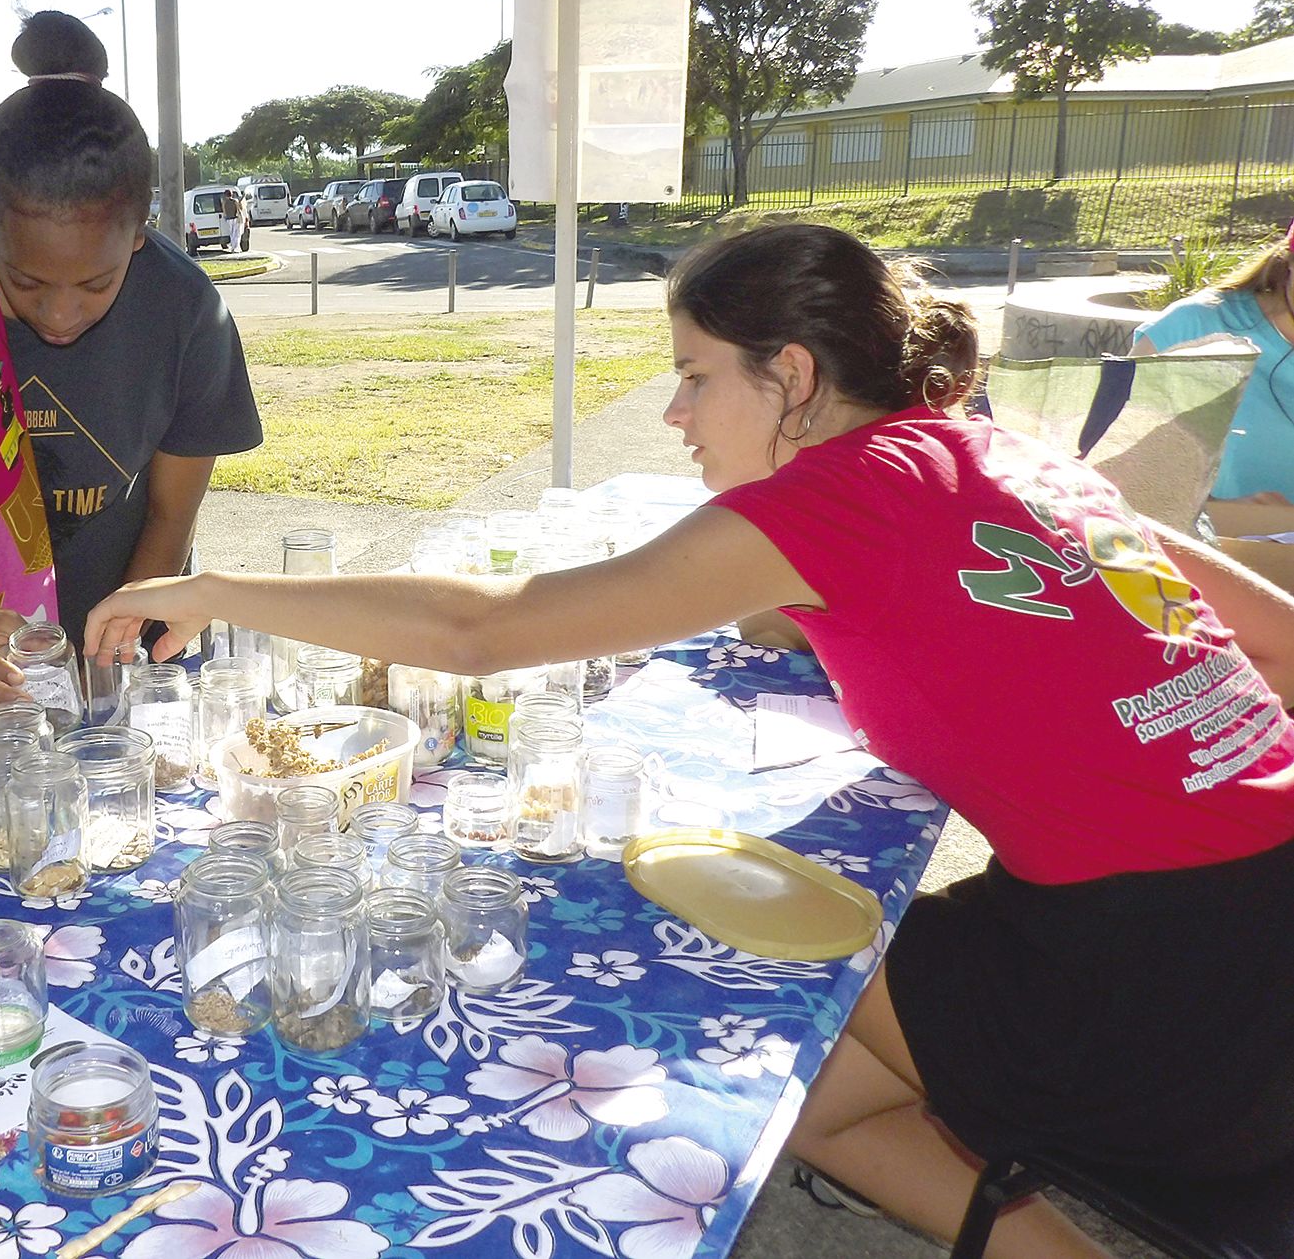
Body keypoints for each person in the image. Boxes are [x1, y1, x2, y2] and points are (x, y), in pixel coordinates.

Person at [86, 224, 1294, 1258]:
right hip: (1247, 915)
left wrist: (213, 588)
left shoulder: (835, 497)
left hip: (1166, 975)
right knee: (813, 1100)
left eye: (692, 376)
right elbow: (1278, 644)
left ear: (793, 374)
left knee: (704, 938)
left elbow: (479, 627)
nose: (671, 413)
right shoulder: (1002, 452)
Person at [0, 11, 261, 726]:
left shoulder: (184, 309)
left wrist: (120, 638)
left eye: (93, 286)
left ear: (139, 236)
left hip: (139, 635)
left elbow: (173, 508)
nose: (57, 313)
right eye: (24, 281)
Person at [1132, 222, 1294, 526]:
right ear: (1288, 260)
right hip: (1207, 563)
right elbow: (1109, 478)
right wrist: (1223, 515)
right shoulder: (1192, 328)